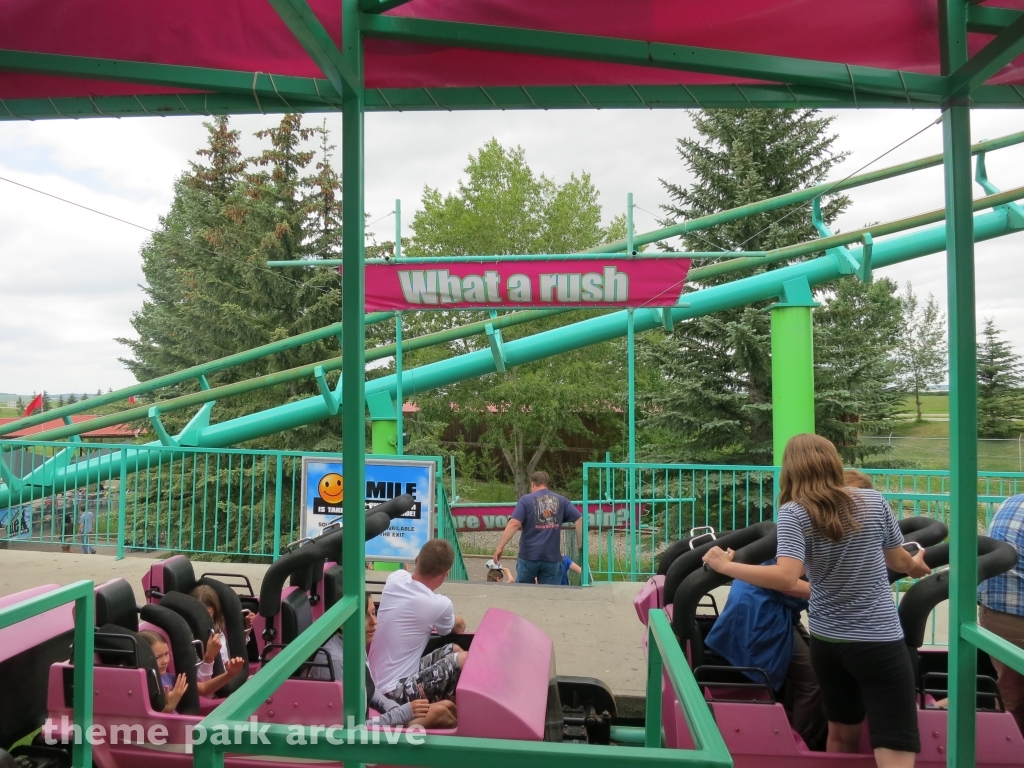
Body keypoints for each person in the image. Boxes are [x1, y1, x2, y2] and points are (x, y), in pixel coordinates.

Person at [703, 433, 930, 768]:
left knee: (840, 734)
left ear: (791, 470)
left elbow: (785, 575)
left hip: (828, 642)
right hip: (877, 642)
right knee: (894, 740)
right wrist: (917, 565)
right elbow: (899, 562)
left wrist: (725, 565)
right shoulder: (872, 501)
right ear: (833, 462)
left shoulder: (794, 512)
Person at [703, 561, 827, 751]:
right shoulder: (801, 534)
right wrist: (833, 590)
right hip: (761, 611)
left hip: (769, 605)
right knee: (813, 680)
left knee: (812, 667)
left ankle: (795, 722)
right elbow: (786, 582)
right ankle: (803, 744)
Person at [312, 594, 457, 728]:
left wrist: (394, 708)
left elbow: (370, 689)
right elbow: (352, 727)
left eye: (373, 613)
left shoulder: (354, 641)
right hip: (357, 736)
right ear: (342, 623)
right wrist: (403, 713)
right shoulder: (336, 662)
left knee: (447, 705)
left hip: (370, 720)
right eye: (364, 616)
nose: (374, 622)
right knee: (440, 713)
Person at [368, 539, 468, 705]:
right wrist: (459, 621)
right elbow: (452, 628)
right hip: (391, 691)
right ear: (445, 574)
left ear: (416, 560)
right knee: (463, 659)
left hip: (375, 680)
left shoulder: (395, 578)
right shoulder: (440, 604)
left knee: (454, 649)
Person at [978, 492, 1024, 734]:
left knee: (1011, 694)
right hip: (1019, 614)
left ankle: (1005, 745)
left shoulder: (1011, 501)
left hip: (994, 613)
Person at [492, 471, 583, 585]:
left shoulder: (525, 500)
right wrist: (580, 543)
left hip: (528, 556)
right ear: (546, 484)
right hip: (552, 558)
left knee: (524, 592)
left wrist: (500, 547)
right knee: (549, 595)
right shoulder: (562, 500)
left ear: (533, 484)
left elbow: (514, 523)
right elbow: (579, 519)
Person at [190, 585, 248, 696]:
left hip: (230, 680)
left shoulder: (219, 631)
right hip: (214, 694)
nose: (203, 619)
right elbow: (202, 684)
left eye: (208, 614)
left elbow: (231, 652)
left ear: (215, 612)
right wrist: (209, 657)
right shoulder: (192, 639)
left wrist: (245, 632)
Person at [138, 630, 189, 713]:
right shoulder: (143, 687)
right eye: (157, 657)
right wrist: (169, 707)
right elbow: (153, 724)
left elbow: (203, 688)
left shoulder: (171, 678)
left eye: (166, 654)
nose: (165, 661)